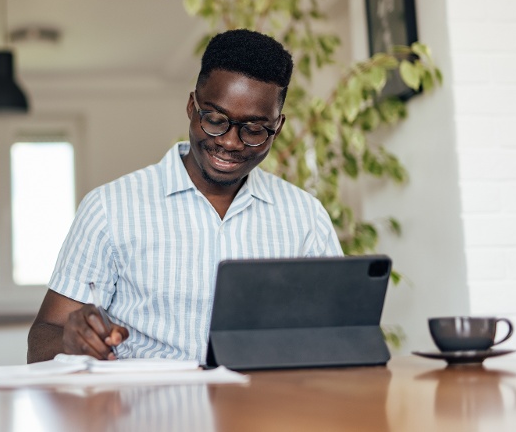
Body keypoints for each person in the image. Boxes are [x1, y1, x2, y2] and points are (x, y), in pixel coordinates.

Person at [27, 29, 343, 364]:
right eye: (216, 120)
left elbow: (342, 333)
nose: (231, 143)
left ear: (277, 127)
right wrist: (72, 340)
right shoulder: (109, 208)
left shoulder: (306, 218)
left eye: (253, 129)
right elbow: (43, 338)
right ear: (192, 106)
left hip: (264, 411)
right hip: (148, 412)